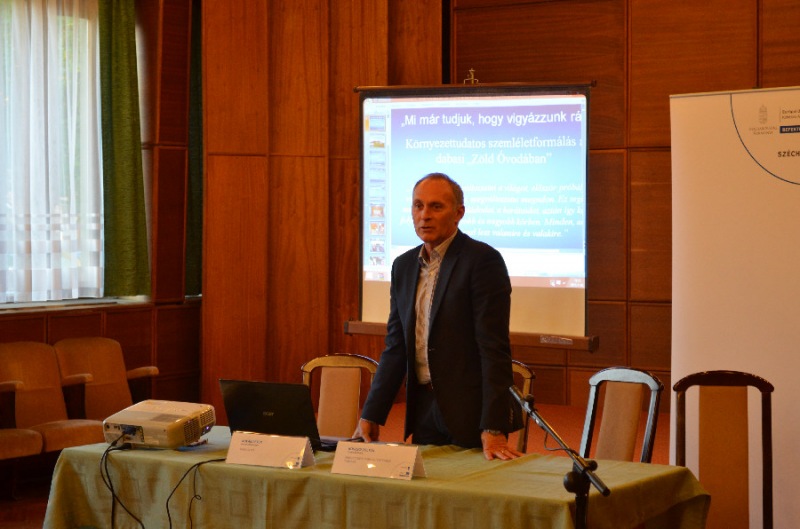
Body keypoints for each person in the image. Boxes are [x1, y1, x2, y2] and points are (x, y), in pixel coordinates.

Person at [355, 172, 524, 460]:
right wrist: (372, 413)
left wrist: (494, 425)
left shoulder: (482, 261)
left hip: (471, 412)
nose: (425, 215)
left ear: (458, 213)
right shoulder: (403, 266)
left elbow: (493, 349)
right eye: (418, 206)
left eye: (436, 206)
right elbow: (396, 346)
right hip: (423, 409)